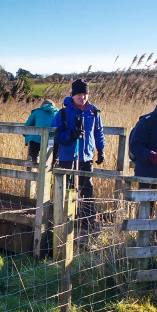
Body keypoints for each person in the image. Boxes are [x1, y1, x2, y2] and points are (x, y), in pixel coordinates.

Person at [50, 79, 105, 229]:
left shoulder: (93, 111)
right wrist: (71, 135)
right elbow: (53, 135)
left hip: (86, 157)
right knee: (67, 189)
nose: (83, 97)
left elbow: (98, 132)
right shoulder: (63, 113)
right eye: (79, 94)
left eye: (85, 94)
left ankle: (88, 222)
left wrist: (101, 150)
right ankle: (63, 221)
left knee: (87, 189)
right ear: (73, 95)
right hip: (68, 157)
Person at [23, 99, 59, 167]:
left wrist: (26, 135)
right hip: (52, 142)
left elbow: (26, 126)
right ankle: (54, 161)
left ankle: (35, 158)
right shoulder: (58, 112)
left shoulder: (37, 112)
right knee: (56, 145)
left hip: (37, 142)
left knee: (33, 139)